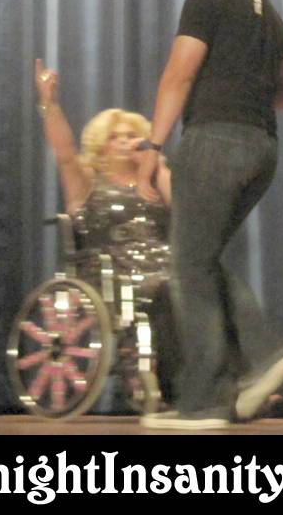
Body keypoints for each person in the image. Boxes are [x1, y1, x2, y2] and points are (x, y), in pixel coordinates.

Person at [136, 0, 283, 429]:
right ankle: (234, 384)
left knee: (188, 265)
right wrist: (245, 102)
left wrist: (152, 145)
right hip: (262, 148)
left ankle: (228, 383)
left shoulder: (207, 0)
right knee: (200, 258)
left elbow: (178, 75)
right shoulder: (269, 13)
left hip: (214, 141)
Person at [34, 59, 179, 405]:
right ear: (101, 145)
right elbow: (65, 154)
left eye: (131, 136)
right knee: (164, 287)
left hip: (165, 262)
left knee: (197, 282)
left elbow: (183, 208)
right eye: (116, 137)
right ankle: (148, 376)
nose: (125, 141)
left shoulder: (152, 179)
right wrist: (50, 104)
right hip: (110, 270)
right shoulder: (86, 182)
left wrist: (158, 165)